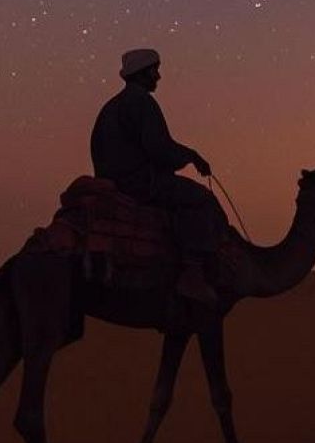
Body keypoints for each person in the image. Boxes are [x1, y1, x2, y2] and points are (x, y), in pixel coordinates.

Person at [90, 48, 227, 303]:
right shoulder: (141, 102)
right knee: (202, 200)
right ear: (143, 74)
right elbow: (160, 148)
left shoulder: (112, 107)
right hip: (138, 183)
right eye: (154, 70)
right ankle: (192, 272)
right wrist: (191, 156)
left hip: (115, 181)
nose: (158, 76)